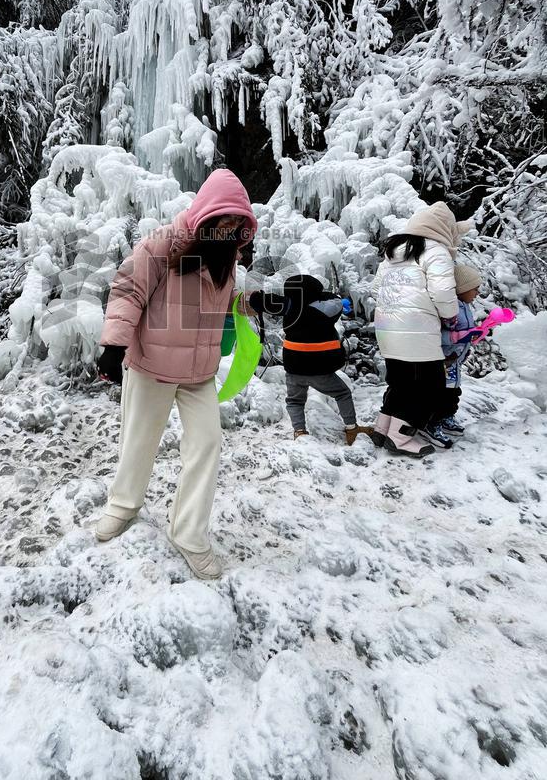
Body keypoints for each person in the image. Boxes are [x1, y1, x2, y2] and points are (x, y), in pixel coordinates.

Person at [94, 168, 258, 581]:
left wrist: (254, 303)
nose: (230, 230)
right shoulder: (163, 245)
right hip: (151, 364)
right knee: (139, 442)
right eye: (224, 222)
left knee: (206, 444)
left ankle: (187, 532)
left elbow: (221, 306)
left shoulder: (227, 259)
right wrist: (113, 345)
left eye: (237, 224)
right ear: (206, 213)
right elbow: (127, 290)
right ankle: (123, 506)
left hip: (198, 373)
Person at [371, 201, 472, 457]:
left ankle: (382, 428)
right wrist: (449, 317)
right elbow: (442, 293)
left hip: (386, 330)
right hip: (416, 334)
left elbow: (375, 290)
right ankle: (400, 438)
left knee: (401, 383)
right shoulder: (436, 251)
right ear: (444, 229)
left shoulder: (394, 252)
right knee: (429, 387)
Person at [249, 275, 373, 444]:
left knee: (295, 400)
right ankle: (352, 430)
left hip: (293, 367)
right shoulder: (328, 307)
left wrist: (259, 296)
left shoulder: (288, 305)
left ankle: (299, 432)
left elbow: (261, 301)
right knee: (342, 393)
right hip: (320, 368)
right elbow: (336, 300)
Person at [438, 262, 482, 437]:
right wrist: (457, 337)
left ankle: (448, 417)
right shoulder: (450, 308)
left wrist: (472, 336)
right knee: (441, 392)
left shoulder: (466, 306)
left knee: (454, 391)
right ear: (461, 288)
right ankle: (435, 420)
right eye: (474, 288)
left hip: (456, 359)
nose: (477, 293)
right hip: (444, 359)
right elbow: (437, 334)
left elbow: (465, 329)